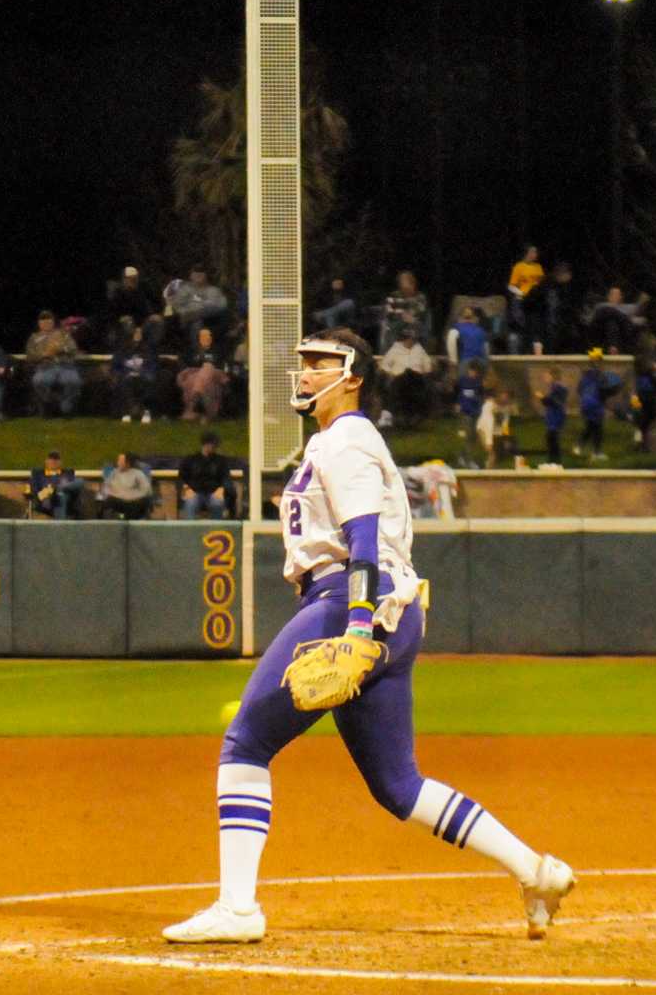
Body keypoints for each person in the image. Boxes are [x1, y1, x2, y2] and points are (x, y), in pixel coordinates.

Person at [160, 329, 573, 945]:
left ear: (352, 376)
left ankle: (238, 908)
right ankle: (535, 871)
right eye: (303, 363)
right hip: (395, 613)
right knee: (399, 786)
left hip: (354, 603)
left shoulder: (347, 439)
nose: (304, 373)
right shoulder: (337, 442)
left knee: (245, 746)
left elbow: (361, 539)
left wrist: (355, 628)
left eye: (319, 363)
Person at [23, 311, 82, 417]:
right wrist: (44, 354)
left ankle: (66, 407)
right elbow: (30, 356)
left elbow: (74, 349)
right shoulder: (34, 338)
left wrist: (61, 349)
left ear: (53, 321)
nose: (46, 322)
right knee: (39, 381)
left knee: (73, 381)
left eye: (48, 320)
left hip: (65, 366)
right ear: (39, 323)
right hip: (46, 367)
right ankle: (50, 404)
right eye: (43, 320)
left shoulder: (63, 334)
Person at [375, 328, 434, 427]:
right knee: (404, 376)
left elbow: (427, 365)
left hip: (416, 379)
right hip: (398, 378)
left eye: (413, 339)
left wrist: (425, 372)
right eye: (409, 339)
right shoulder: (395, 350)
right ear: (404, 339)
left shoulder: (419, 349)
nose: (411, 341)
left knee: (411, 375)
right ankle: (388, 416)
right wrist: (391, 373)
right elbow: (385, 364)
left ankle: (416, 415)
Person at [110, 318, 158, 424]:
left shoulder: (147, 349)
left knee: (148, 382)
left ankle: (145, 412)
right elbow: (116, 365)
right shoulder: (123, 348)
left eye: (140, 333)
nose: (138, 334)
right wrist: (121, 373)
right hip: (126, 376)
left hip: (143, 375)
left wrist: (144, 373)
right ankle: (127, 412)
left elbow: (152, 365)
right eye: (136, 332)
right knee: (125, 383)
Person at [178, 326, 231, 422]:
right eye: (204, 336)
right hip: (196, 377)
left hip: (214, 375)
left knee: (208, 367)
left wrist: (205, 365)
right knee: (199, 376)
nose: (207, 337)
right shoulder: (191, 352)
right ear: (198, 339)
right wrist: (200, 359)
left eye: (209, 335)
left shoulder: (217, 351)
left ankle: (192, 404)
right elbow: (187, 368)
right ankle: (205, 413)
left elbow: (221, 367)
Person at [179, 432, 234, 519]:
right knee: (190, 503)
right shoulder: (191, 460)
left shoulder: (221, 461)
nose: (213, 447)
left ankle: (216, 529)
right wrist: (186, 488)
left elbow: (225, 477)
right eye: (212, 444)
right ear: (204, 444)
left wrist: (221, 489)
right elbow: (182, 477)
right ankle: (189, 530)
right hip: (194, 491)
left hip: (214, 492)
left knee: (217, 503)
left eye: (215, 445)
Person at [576, 351, 615, 460]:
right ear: (599, 362)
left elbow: (579, 390)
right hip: (596, 405)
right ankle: (596, 452)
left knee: (590, 427)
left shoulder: (585, 376)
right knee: (598, 429)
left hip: (586, 404)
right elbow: (605, 391)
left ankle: (579, 446)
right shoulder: (601, 376)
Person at [27, 451, 86, 520]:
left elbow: (74, 487)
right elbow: (34, 490)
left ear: (61, 462)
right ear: (46, 461)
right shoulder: (38, 475)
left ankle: (59, 488)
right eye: (51, 459)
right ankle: (59, 489)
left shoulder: (67, 473)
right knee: (60, 495)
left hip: (68, 499)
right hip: (49, 501)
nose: (54, 462)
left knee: (80, 481)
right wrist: (46, 493)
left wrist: (57, 488)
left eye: (56, 460)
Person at [99, 451, 154, 521]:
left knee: (143, 502)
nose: (117, 463)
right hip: (118, 501)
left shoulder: (138, 474)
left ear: (128, 463)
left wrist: (129, 496)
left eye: (120, 461)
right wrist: (110, 494)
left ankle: (130, 522)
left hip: (134, 502)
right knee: (107, 502)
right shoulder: (114, 473)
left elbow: (146, 490)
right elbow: (106, 486)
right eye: (118, 460)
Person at [538, 369, 568, 466]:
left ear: (553, 377)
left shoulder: (557, 387)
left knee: (552, 439)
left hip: (555, 417)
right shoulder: (555, 387)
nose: (545, 378)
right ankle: (554, 462)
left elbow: (554, 402)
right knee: (551, 439)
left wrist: (542, 398)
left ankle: (554, 462)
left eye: (547, 376)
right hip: (554, 416)